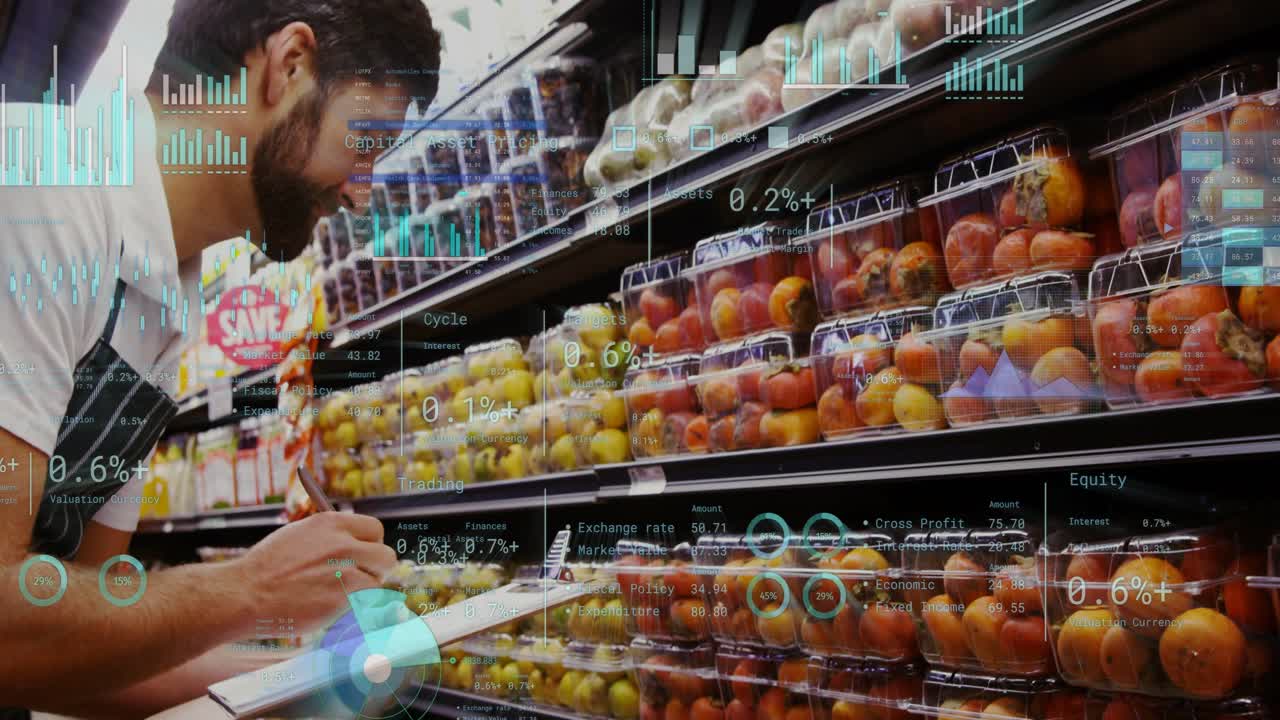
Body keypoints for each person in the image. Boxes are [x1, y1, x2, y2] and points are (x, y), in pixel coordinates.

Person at [0, 0, 441, 716]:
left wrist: (308, 671)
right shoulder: (42, 189)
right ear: (288, 65)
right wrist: (252, 589)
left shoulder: (169, 296)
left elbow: (88, 645)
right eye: (365, 139)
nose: (362, 190)